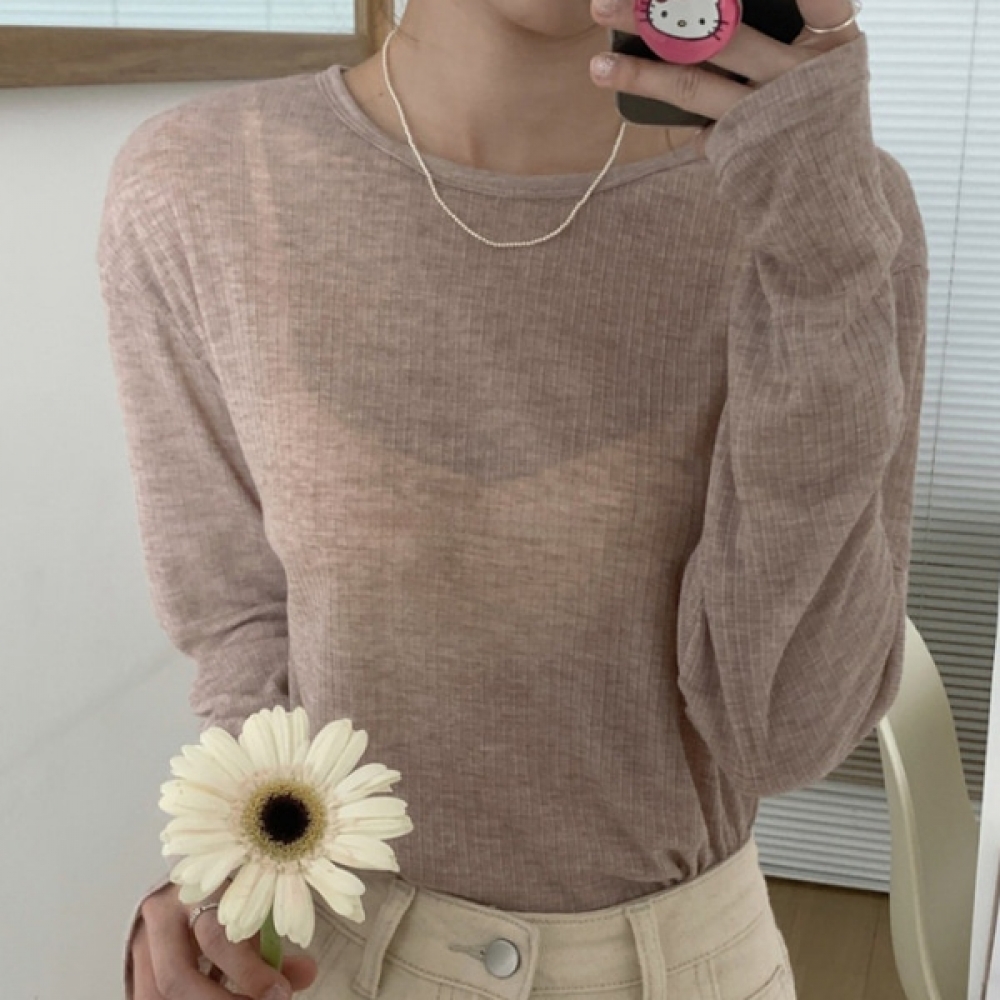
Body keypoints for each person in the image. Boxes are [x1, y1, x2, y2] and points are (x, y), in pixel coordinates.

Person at [97, 0, 929, 998]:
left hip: (680, 964)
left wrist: (823, 254)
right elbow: (239, 624)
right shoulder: (198, 184)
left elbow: (784, 734)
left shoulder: (823, 209)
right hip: (329, 953)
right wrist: (231, 881)